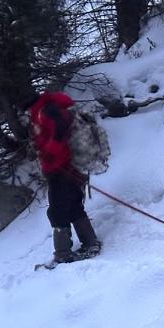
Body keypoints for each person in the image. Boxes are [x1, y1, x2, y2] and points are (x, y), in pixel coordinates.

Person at [26, 91, 101, 264]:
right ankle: (90, 243)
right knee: (73, 205)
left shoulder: (47, 111)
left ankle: (63, 254)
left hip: (62, 169)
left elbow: (59, 132)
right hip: (69, 167)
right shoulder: (45, 109)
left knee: (57, 211)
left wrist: (50, 153)